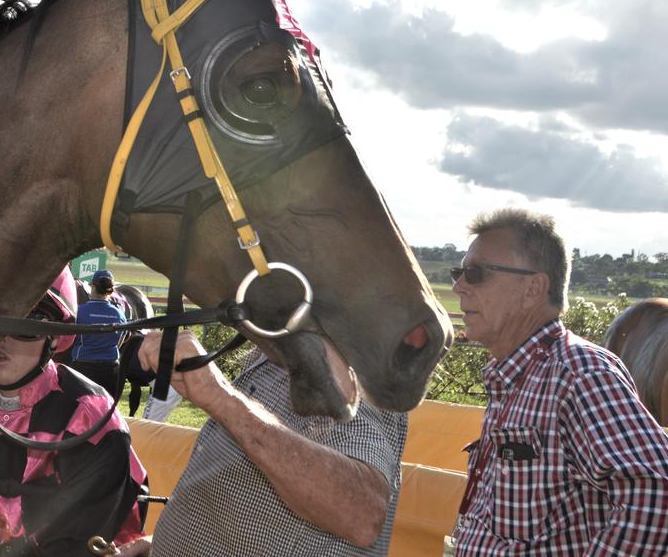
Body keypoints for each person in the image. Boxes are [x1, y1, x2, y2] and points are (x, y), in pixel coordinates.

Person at [450, 208, 668, 555]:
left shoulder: (580, 373)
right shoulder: (516, 375)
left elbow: (656, 491)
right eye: (458, 272)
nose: (459, 286)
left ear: (533, 288)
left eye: (475, 274)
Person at [125, 333, 408, 556]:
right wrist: (159, 545)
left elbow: (361, 513)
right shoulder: (274, 353)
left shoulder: (348, 368)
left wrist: (219, 395)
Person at [0, 285, 147, 556]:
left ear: (54, 338)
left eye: (27, 323)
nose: (0, 339)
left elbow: (75, 542)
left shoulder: (89, 418)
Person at [71, 269, 127, 400]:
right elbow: (121, 341)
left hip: (83, 367)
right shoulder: (119, 314)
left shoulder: (79, 311)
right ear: (111, 291)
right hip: (111, 368)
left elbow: (70, 339)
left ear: (93, 287)